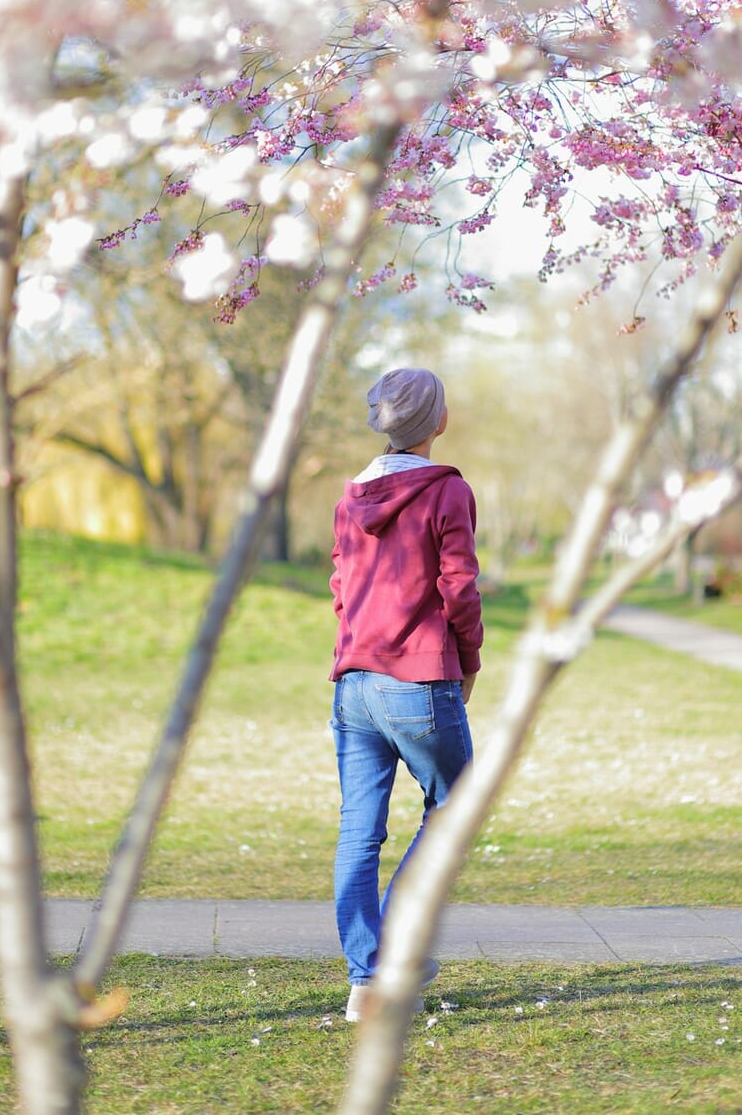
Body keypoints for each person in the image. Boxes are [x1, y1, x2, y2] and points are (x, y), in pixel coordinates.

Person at [329, 367, 483, 1022]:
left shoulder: (348, 497)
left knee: (358, 834)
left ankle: (368, 980)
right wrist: (468, 662)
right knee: (455, 811)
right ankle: (395, 962)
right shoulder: (448, 491)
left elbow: (340, 587)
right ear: (438, 423)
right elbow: (460, 588)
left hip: (353, 684)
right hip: (419, 681)